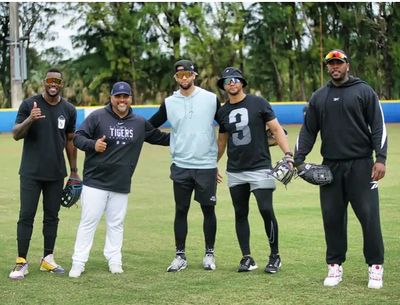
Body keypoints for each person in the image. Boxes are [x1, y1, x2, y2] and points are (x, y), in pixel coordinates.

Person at [294, 49, 387, 289]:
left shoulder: (364, 91)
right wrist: (298, 158)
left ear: (347, 64)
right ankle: (334, 266)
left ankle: (375, 267)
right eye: (331, 64)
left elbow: (378, 126)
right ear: (327, 68)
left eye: (339, 63)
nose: (335, 67)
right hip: (331, 167)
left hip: (362, 165)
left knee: (369, 217)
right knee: (332, 218)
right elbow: (308, 130)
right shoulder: (319, 96)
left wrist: (381, 158)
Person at [69, 81, 169, 278]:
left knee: (116, 224)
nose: (122, 100)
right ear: (111, 98)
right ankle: (78, 262)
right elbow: (77, 137)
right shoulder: (98, 116)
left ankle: (114, 260)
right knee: (88, 222)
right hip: (95, 182)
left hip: (121, 183)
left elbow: (161, 138)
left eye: (126, 96)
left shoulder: (139, 122)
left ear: (131, 98)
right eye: (118, 96)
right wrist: (92, 144)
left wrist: (190, 136)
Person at [216, 67, 293, 273]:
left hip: (260, 167)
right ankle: (247, 257)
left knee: (266, 210)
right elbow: (222, 142)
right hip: (235, 170)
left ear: (242, 82)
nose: (231, 83)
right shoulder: (222, 112)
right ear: (223, 86)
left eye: (235, 79)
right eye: (227, 81)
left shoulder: (258, 102)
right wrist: (212, 165)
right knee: (240, 213)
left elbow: (276, 129)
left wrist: (288, 155)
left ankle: (275, 256)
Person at [149, 60, 220, 272]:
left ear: (194, 75)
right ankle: (180, 256)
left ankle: (209, 254)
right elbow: (147, 127)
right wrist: (169, 141)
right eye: (180, 76)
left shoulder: (210, 99)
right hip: (181, 165)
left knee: (208, 209)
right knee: (181, 210)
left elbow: (226, 125)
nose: (184, 79)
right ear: (176, 78)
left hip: (206, 165)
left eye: (188, 74)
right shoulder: (170, 102)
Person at [9, 68, 79, 280]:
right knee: (26, 216)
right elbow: (15, 134)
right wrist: (30, 119)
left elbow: (69, 140)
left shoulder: (68, 109)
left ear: (62, 83)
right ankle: (21, 262)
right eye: (50, 80)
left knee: (52, 217)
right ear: (43, 82)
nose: (53, 84)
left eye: (57, 81)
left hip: (56, 173)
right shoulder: (30, 104)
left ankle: (48, 259)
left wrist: (74, 171)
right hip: (31, 172)